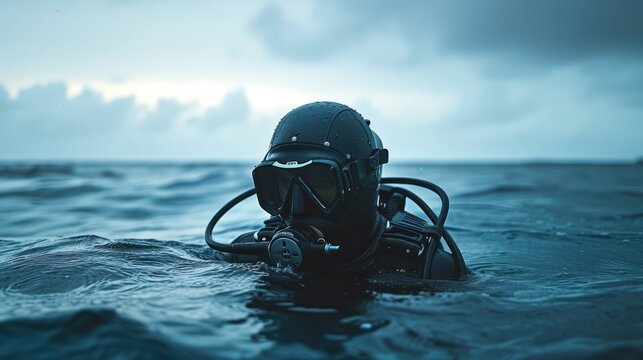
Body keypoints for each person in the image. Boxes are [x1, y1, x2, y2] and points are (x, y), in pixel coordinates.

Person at [205, 101, 467, 280]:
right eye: (284, 186)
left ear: (361, 187)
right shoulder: (247, 256)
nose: (297, 207)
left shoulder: (422, 268)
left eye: (320, 184)